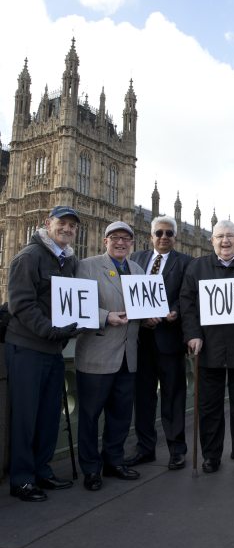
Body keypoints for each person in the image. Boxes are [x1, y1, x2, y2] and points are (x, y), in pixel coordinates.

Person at [180, 220, 234, 473]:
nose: (225, 241)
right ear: (212, 240)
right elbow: (187, 305)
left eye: (230, 236)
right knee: (209, 407)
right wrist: (192, 335)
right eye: (220, 236)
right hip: (209, 349)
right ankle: (211, 455)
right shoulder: (197, 267)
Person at [6, 206, 80, 502]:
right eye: (62, 223)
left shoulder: (68, 261)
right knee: (25, 416)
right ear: (47, 224)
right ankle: (22, 480)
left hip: (53, 348)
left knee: (49, 414)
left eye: (72, 225)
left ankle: (42, 470)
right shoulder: (29, 256)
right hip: (26, 346)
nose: (67, 228)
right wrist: (52, 330)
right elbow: (21, 305)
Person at [75, 221, 144, 491]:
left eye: (126, 239)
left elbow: (142, 306)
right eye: (115, 238)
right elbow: (78, 305)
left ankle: (114, 461)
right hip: (97, 353)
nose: (120, 243)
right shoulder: (87, 266)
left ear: (132, 244)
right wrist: (105, 317)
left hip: (128, 355)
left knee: (120, 415)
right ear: (105, 241)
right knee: (90, 416)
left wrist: (150, 318)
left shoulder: (138, 270)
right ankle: (91, 469)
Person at [125, 215, 192, 471]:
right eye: (159, 233)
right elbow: (128, 293)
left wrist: (173, 311)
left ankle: (177, 450)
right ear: (150, 236)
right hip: (141, 340)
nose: (164, 237)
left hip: (170, 338)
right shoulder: (137, 260)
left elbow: (187, 296)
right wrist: (142, 317)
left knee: (173, 396)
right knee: (142, 397)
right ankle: (145, 448)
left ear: (176, 237)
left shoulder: (185, 262)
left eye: (169, 233)